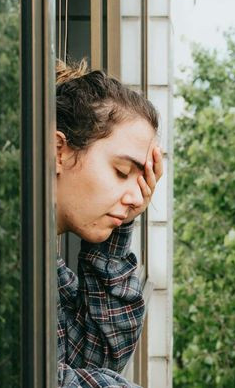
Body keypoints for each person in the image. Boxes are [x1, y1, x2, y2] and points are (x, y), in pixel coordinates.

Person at [54, 59, 162, 387]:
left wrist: (116, 233)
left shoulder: (45, 265)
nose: (137, 199)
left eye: (142, 180)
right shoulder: (4, 257)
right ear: (58, 151)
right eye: (121, 172)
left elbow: (95, 355)